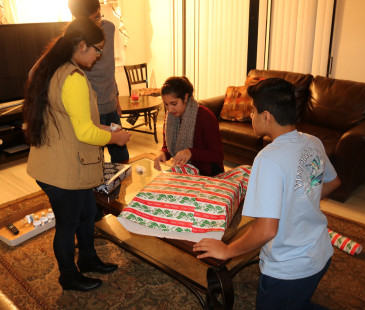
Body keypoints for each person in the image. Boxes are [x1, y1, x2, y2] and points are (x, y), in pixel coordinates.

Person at [193, 78, 341, 309]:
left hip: (290, 269)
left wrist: (227, 250)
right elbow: (332, 183)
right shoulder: (314, 142)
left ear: (267, 117)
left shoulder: (268, 159)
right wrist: (300, 200)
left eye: (252, 110)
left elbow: (266, 229)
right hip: (321, 252)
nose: (250, 115)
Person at [23, 17, 131, 292]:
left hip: (62, 161)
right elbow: (84, 132)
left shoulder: (52, 68)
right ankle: (68, 277)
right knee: (68, 223)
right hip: (62, 169)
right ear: (81, 45)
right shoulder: (72, 77)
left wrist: (104, 127)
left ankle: (88, 259)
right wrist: (115, 136)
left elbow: (74, 122)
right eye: (97, 49)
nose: (99, 56)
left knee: (87, 211)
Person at [68, 0, 129, 163]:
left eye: (98, 15)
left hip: (110, 105)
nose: (98, 22)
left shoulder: (109, 28)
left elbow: (110, 66)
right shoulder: (73, 38)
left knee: (122, 157)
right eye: (92, 20)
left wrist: (116, 95)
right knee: (95, 162)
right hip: (92, 110)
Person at [154, 76, 224, 176]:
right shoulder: (170, 117)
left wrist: (191, 153)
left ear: (185, 97)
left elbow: (218, 156)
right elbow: (168, 147)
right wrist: (162, 153)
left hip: (208, 173)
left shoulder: (205, 116)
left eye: (174, 103)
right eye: (166, 104)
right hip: (185, 170)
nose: (169, 109)